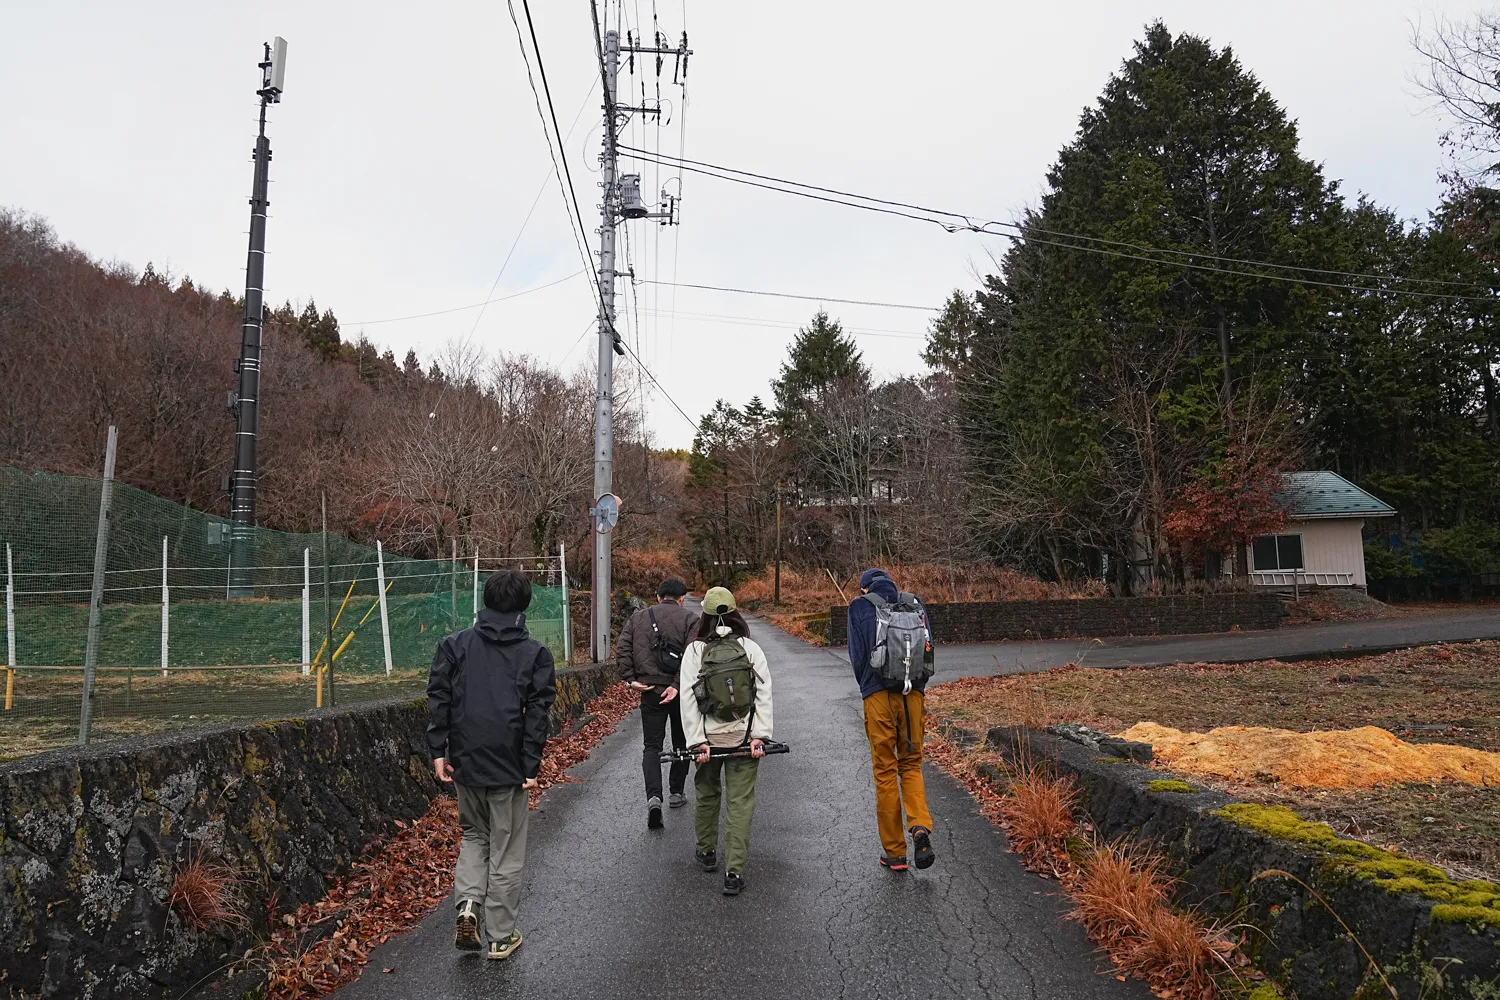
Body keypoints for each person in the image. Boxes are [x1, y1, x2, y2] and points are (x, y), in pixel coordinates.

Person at [427, 568, 557, 961]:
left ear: (485, 602)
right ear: (524, 606)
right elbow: (537, 714)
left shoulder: (455, 645)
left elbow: (439, 697)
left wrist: (438, 750)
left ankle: (467, 905)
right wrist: (531, 765)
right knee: (506, 849)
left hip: (466, 760)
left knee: (473, 835)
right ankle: (500, 935)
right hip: (510, 765)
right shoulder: (534, 653)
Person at [679, 586, 772, 896]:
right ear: (736, 612)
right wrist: (759, 736)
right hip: (744, 738)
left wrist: (696, 741)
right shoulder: (750, 649)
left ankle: (706, 852)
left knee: (707, 793)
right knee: (740, 802)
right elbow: (763, 695)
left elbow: (689, 702)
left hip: (708, 740)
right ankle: (734, 870)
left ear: (703, 615)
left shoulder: (695, 651)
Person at [848, 568, 936, 872]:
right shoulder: (915, 603)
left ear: (864, 589)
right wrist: (918, 689)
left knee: (885, 771)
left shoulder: (860, 606)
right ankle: (920, 826)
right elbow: (928, 652)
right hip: (913, 695)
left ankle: (895, 853)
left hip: (879, 697)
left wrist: (869, 687)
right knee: (911, 764)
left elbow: (858, 657)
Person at [616, 577, 699, 829]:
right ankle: (676, 793)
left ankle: (654, 797)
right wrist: (676, 685)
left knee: (651, 746)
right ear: (682, 598)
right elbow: (694, 655)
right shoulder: (690, 619)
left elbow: (623, 649)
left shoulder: (638, 618)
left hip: (650, 690)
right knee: (681, 742)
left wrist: (631, 680)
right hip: (680, 691)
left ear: (657, 595)